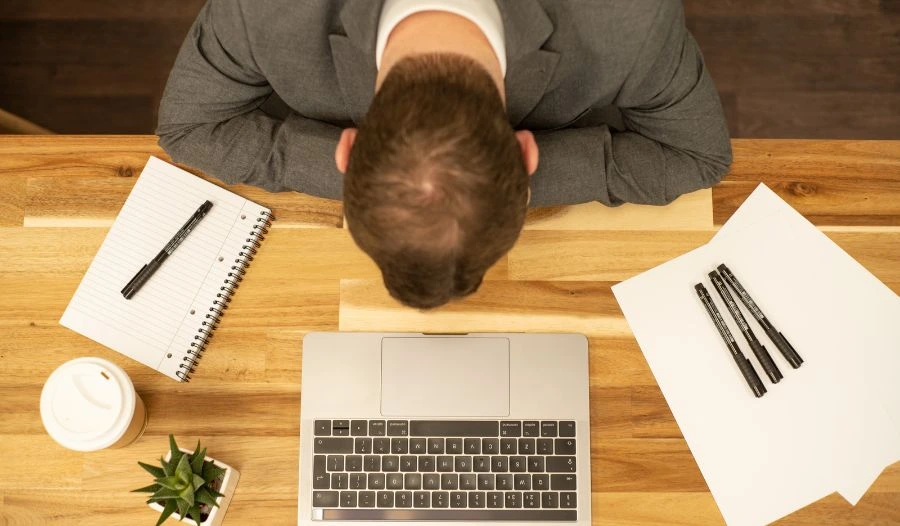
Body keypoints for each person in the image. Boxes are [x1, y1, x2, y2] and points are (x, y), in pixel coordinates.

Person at [157, 0, 732, 309]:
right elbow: (189, 125)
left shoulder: (632, 17)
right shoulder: (263, 11)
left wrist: (486, 183)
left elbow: (699, 155)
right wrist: (408, 181)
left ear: (347, 151)